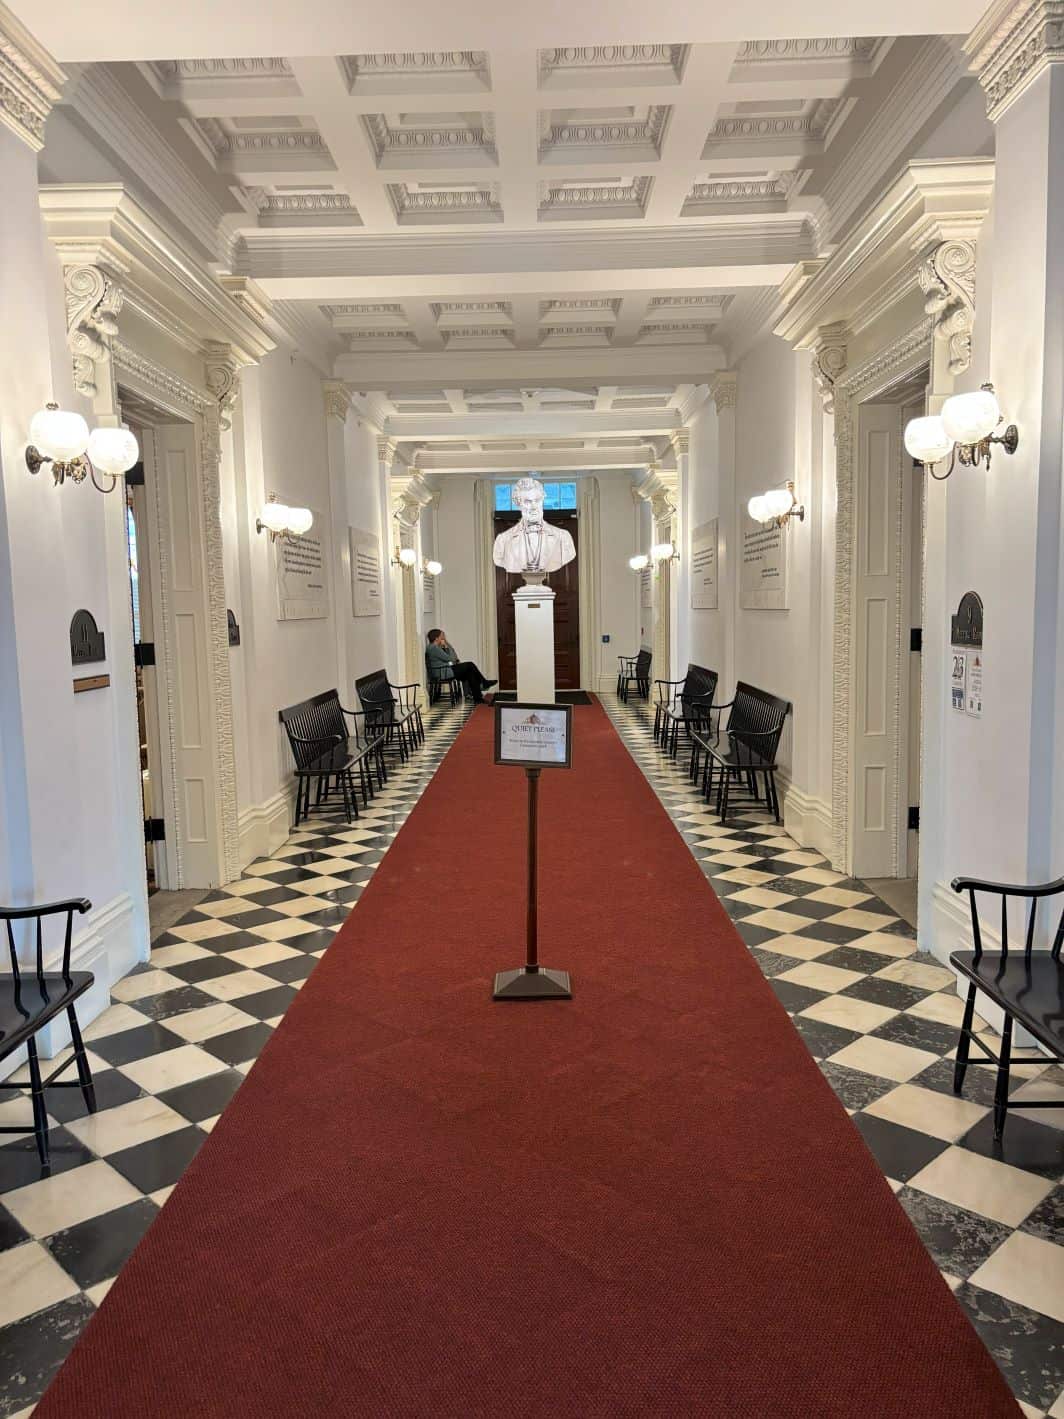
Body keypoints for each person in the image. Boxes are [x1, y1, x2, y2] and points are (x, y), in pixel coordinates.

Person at [492, 474, 577, 575]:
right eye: (527, 502)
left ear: (542, 500)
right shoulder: (503, 540)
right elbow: (499, 560)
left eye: (537, 501)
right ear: (518, 504)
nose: (534, 507)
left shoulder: (563, 537)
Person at [425, 629, 497, 704]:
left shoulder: (436, 647)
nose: (444, 638)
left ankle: (478, 698)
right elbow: (451, 658)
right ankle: (483, 684)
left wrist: (447, 648)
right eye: (442, 636)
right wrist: (446, 646)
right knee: (470, 665)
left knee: (469, 673)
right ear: (436, 638)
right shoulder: (433, 648)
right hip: (442, 672)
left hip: (445, 670)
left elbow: (453, 657)